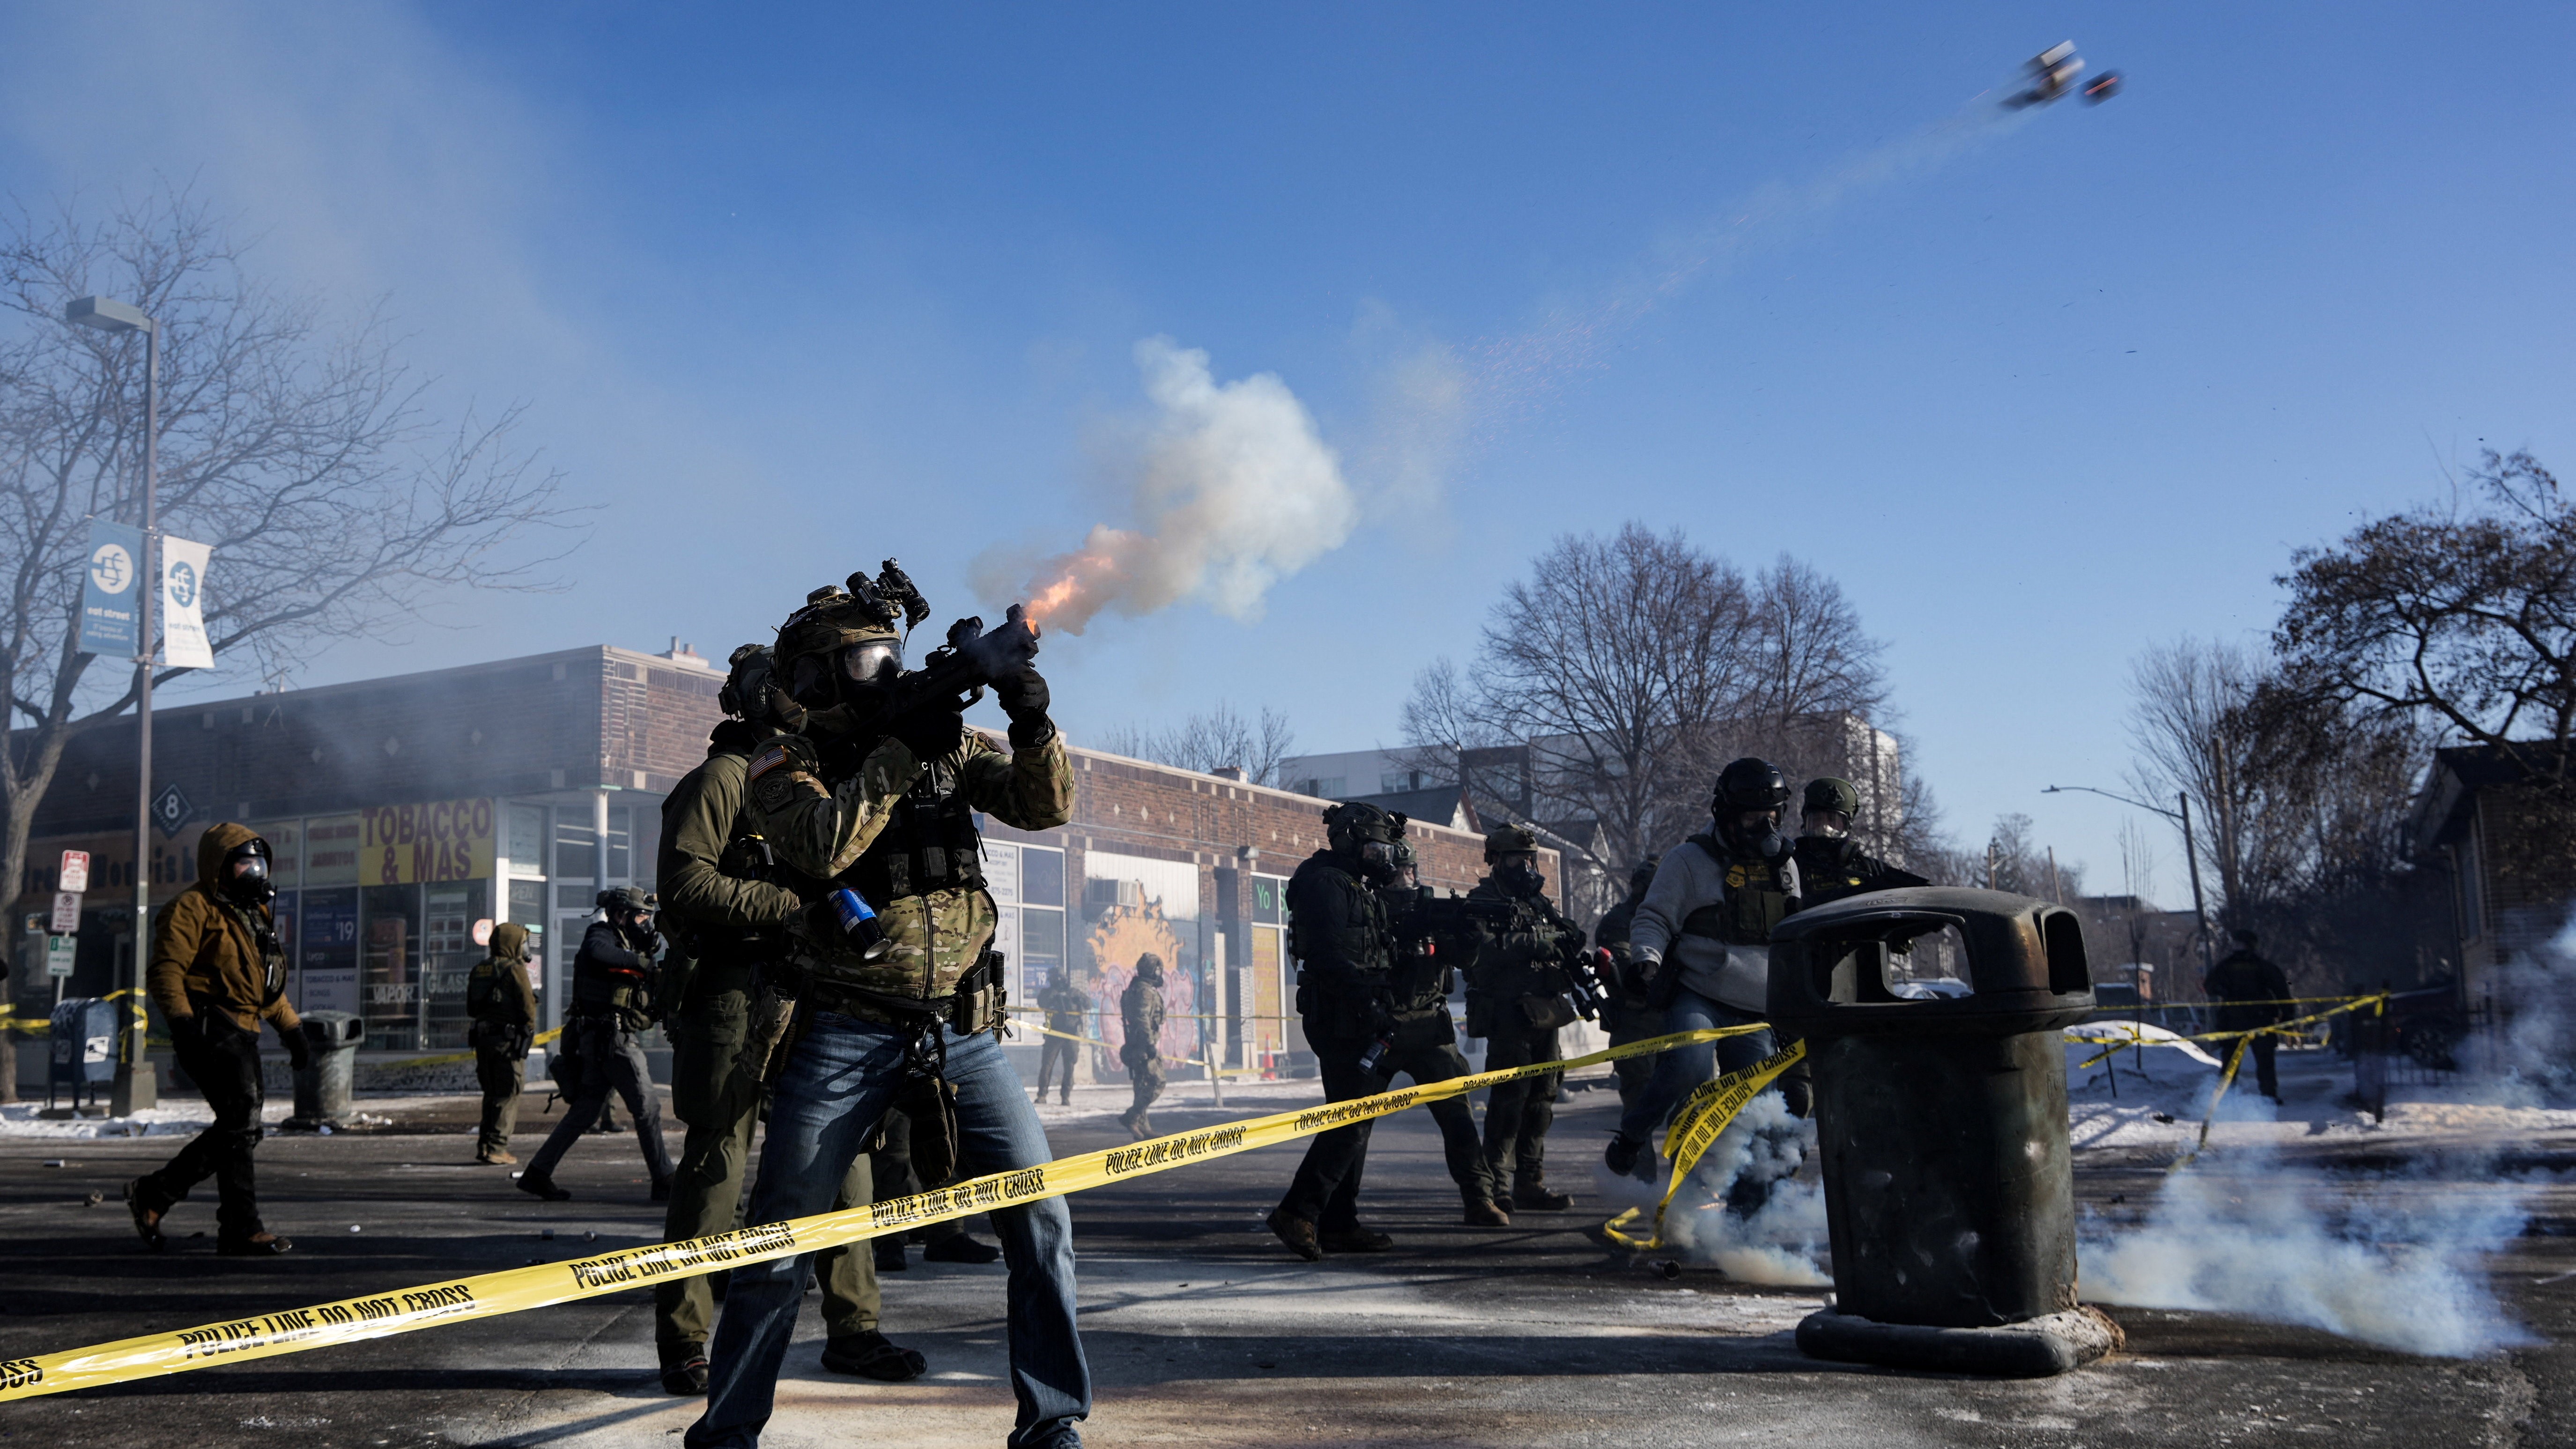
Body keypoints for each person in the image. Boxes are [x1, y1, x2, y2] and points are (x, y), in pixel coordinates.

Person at [688, 573, 1083, 1449]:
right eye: (866, 657)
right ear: (822, 672)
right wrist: (899, 750)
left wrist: (1031, 721)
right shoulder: (781, 762)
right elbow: (823, 847)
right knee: (782, 1239)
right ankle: (727, 1430)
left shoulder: (944, 740)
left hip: (962, 1026)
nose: (884, 670)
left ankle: (1053, 1420)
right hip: (843, 1024)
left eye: (892, 656)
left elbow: (1045, 805)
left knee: (1041, 1215)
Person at [650, 643, 922, 1397]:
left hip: (816, 991)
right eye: (779, 687)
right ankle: (685, 1338)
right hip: (735, 992)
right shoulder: (724, 779)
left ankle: (856, 1327)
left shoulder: (810, 780)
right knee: (716, 1169)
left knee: (844, 1160)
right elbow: (683, 883)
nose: (796, 696)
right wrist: (790, 908)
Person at [1271, 815, 1507, 1262]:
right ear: (1351, 843)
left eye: (1399, 861)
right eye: (1380, 853)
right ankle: (1299, 1213)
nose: (1396, 870)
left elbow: (1382, 954)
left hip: (1389, 1022)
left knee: (1359, 1123)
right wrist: (1370, 1005)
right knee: (1351, 1123)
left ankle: (1336, 1222)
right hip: (1353, 1022)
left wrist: (1465, 936)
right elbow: (1329, 956)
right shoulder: (1329, 885)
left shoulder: (1353, 887)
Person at [1604, 759, 1805, 1212]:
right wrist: (1647, 961)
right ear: (1727, 813)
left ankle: (1744, 1220)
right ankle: (1633, 1137)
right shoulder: (1688, 860)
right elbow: (1653, 917)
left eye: (1774, 817)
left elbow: (1797, 935)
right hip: (1700, 992)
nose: (1765, 827)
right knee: (1690, 1066)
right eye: (1755, 817)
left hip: (1756, 1009)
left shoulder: (1785, 865)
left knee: (1761, 1112)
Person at [126, 823, 309, 1256]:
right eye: (244, 862)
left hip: (245, 1028)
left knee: (239, 1128)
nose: (254, 871)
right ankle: (240, 1227)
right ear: (220, 866)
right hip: (212, 1027)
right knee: (241, 1123)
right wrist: (185, 1025)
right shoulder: (191, 908)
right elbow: (166, 971)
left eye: (259, 863)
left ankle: (159, 1195)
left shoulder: (252, 913)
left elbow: (262, 985)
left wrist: (292, 1028)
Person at [1454, 822, 1590, 1213]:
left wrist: (1567, 936)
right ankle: (1498, 1185)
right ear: (1496, 860)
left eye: (1529, 859)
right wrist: (1534, 942)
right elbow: (1479, 949)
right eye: (1517, 858)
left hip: (1544, 1010)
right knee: (1509, 1099)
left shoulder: (1537, 901)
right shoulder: (1481, 900)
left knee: (1543, 1095)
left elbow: (1563, 932)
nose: (1525, 866)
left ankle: (1531, 1179)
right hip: (1506, 1011)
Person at [518, 887, 675, 1202]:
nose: (645, 923)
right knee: (648, 1108)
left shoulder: (625, 940)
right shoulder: (601, 935)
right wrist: (644, 964)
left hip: (602, 1040)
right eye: (641, 916)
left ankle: (538, 1172)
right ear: (621, 915)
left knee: (587, 1110)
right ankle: (664, 1180)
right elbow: (599, 954)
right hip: (612, 1040)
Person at [870, 1105, 1005, 1270]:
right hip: (888, 1084)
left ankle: (946, 1234)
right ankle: (889, 1241)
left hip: (936, 1082)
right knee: (894, 1157)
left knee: (941, 1148)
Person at [1592, 856, 1663, 1117]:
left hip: (1673, 1018)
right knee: (1640, 1104)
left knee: (1686, 1104)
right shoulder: (1620, 920)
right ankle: (1637, 1159)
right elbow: (1627, 969)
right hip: (1636, 1021)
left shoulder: (1672, 918)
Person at [466, 922, 539, 1165]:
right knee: (508, 1093)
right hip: (507, 1042)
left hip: (483, 1041)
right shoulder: (515, 970)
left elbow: (471, 1008)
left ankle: (485, 1146)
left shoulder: (480, 969)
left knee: (491, 1094)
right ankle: (497, 1148)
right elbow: (528, 1006)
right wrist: (528, 1031)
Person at [1791, 776, 1926, 906]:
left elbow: (1921, 892)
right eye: (1818, 820)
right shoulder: (1791, 864)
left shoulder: (1867, 868)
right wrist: (1863, 892)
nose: (1825, 828)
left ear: (1847, 826)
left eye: (1833, 821)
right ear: (1806, 822)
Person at [2205, 928, 2293, 1101]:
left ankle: (2235, 1096)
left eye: (2241, 944)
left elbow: (2281, 991)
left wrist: (2288, 1016)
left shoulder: (2232, 966)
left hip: (2243, 1020)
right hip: (2250, 1020)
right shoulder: (2258, 966)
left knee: (2254, 1061)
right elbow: (2282, 991)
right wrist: (2288, 1016)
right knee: (2246, 1062)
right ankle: (2235, 1096)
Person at [1118, 953, 1167, 1140]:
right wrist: (1149, 1044)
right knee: (1157, 1082)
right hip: (1143, 1045)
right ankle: (1131, 1117)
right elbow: (1142, 1019)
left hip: (1139, 1044)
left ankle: (1143, 1125)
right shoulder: (1144, 991)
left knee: (1142, 1085)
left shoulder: (1138, 988)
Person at [1033, 967, 1090, 1104]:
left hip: (1071, 1034)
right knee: (1047, 1065)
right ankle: (1042, 1095)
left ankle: (1066, 1096)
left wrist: (1077, 998)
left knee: (1070, 1066)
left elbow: (1088, 1004)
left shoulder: (1074, 992)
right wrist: (1054, 993)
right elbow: (1042, 1003)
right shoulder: (1048, 993)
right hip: (1054, 1033)